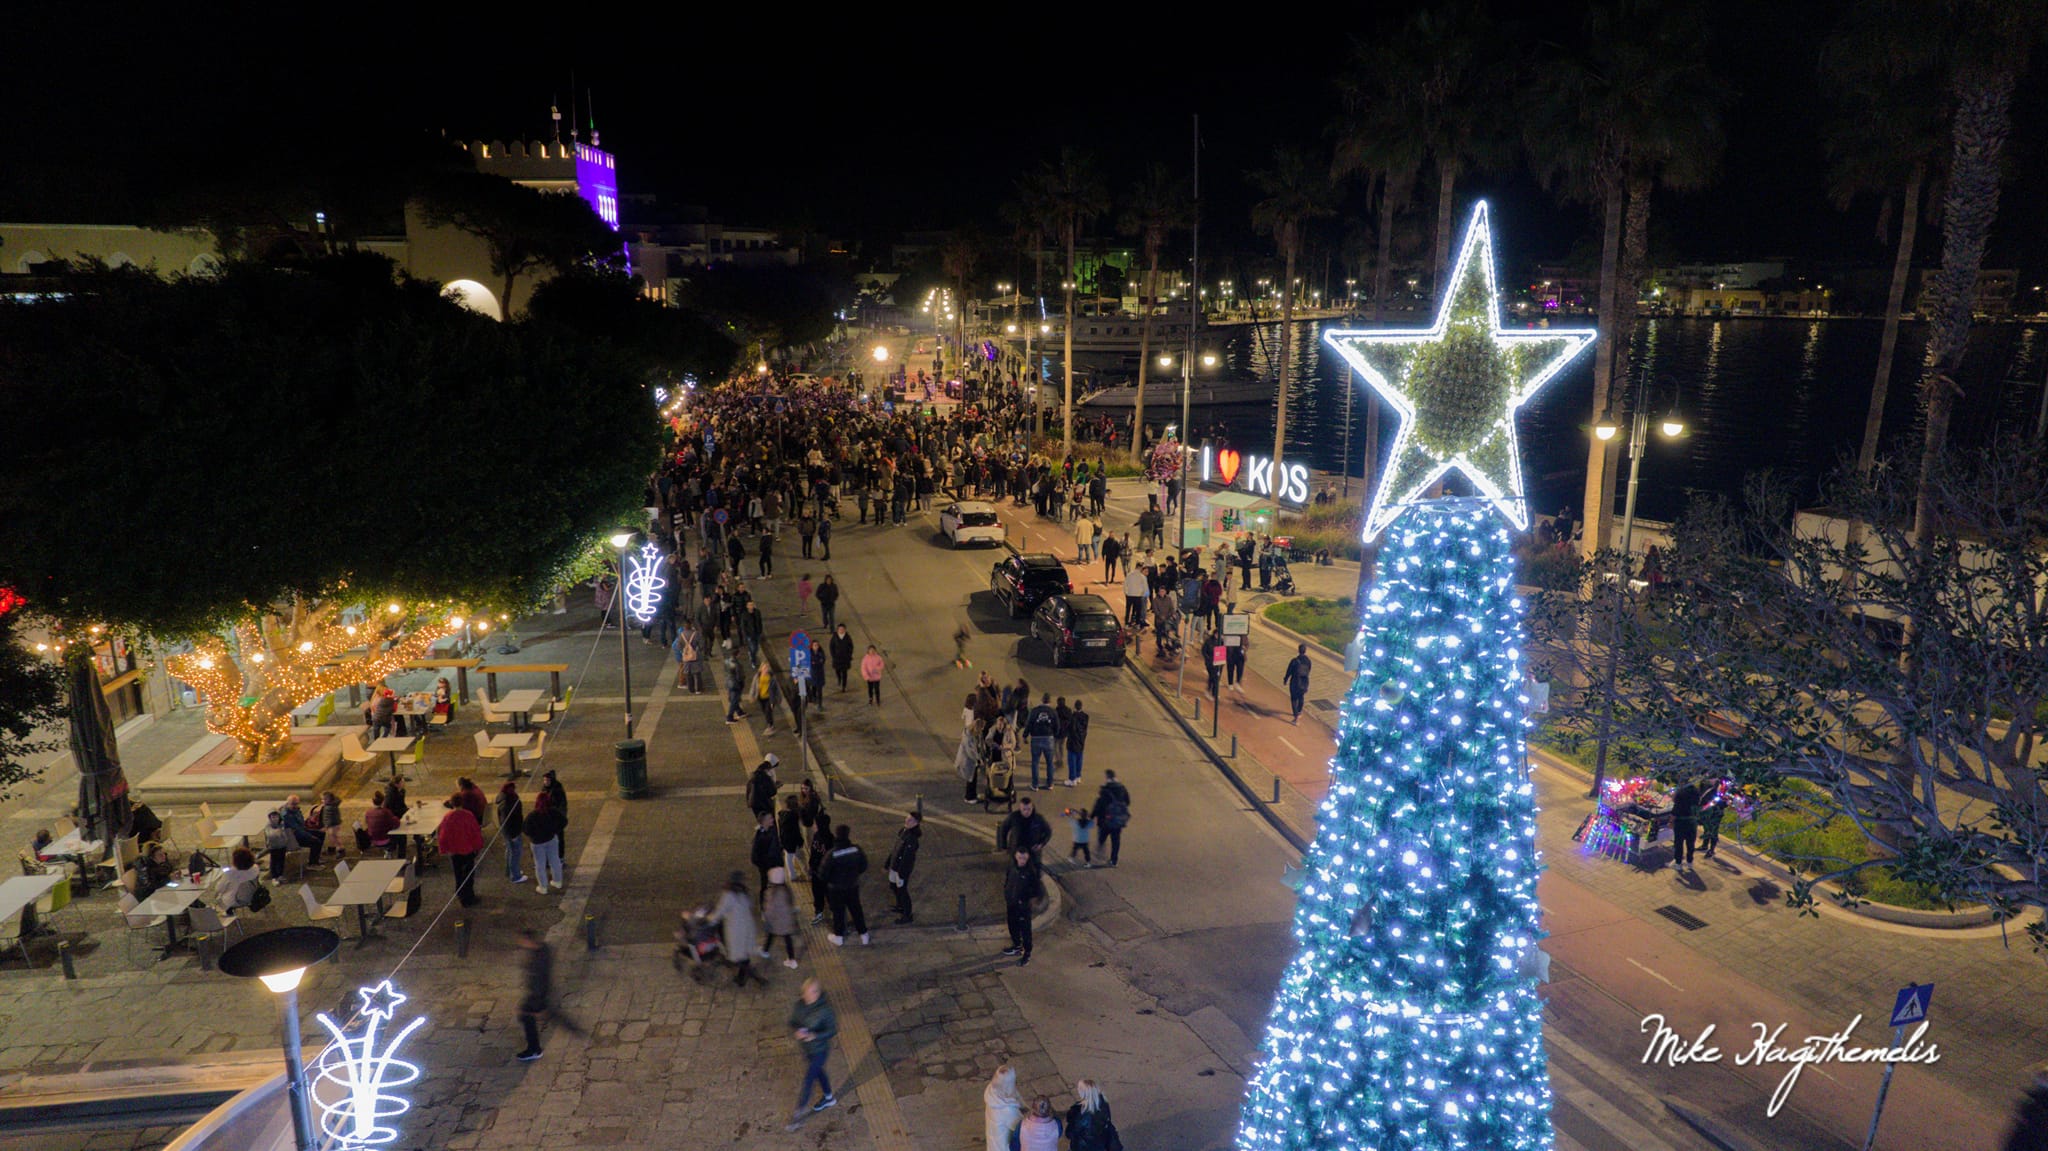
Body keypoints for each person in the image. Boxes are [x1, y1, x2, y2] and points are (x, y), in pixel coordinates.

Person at [514, 928, 579, 1062]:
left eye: (522, 940)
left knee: (527, 1016)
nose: (520, 943)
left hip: (537, 996)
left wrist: (538, 1006)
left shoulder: (538, 961)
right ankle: (572, 1028)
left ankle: (534, 1049)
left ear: (529, 941)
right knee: (529, 1016)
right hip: (539, 994)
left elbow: (539, 982)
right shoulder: (544, 949)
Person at [785, 978, 839, 1130]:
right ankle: (829, 1098)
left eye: (811, 993)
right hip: (807, 1049)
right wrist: (796, 1031)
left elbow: (832, 1030)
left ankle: (798, 1114)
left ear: (817, 993)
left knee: (809, 1079)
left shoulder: (825, 1009)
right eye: (805, 993)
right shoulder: (800, 1005)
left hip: (820, 1050)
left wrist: (814, 1036)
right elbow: (792, 1022)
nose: (807, 996)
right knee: (819, 1072)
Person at [819, 823, 870, 946]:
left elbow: (823, 873)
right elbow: (864, 865)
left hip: (836, 888)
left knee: (838, 912)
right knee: (856, 909)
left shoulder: (832, 854)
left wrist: (830, 880)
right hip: (852, 885)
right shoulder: (856, 849)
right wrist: (854, 874)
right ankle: (864, 935)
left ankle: (839, 936)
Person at [709, 871, 762, 986]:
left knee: (738, 955)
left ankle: (752, 978)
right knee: (744, 954)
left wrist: (709, 920)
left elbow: (720, 911)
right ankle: (742, 977)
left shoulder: (728, 895)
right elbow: (750, 905)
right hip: (747, 927)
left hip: (737, 929)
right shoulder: (744, 893)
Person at [437, 797, 485, 907]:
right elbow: (475, 832)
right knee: (468, 875)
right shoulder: (468, 815)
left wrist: (443, 848)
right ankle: (468, 898)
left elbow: (443, 834)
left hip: (454, 851)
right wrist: (478, 846)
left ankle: (459, 892)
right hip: (467, 850)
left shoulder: (448, 816)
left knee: (457, 873)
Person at [1002, 848, 1045, 966]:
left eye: (1024, 858)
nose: (1021, 860)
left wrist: (1026, 900)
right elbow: (1008, 881)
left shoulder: (1030, 872)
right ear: (1016, 856)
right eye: (1020, 857)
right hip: (1012, 904)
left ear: (1028, 858)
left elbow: (1036, 890)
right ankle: (1016, 946)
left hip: (1023, 907)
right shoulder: (1012, 867)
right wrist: (1007, 894)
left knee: (1025, 930)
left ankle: (1027, 953)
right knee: (1012, 926)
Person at [525, 791, 566, 894]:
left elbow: (526, 829)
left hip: (537, 843)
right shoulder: (553, 812)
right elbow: (564, 821)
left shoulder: (532, 815)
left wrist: (534, 835)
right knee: (555, 860)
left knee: (540, 864)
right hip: (551, 839)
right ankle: (557, 881)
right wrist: (555, 830)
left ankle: (543, 887)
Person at [885, 811, 921, 924]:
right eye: (907, 818)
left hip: (901, 869)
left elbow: (907, 858)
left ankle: (907, 915)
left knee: (902, 891)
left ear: (916, 823)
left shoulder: (912, 839)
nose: (907, 821)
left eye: (910, 820)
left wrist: (901, 873)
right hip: (894, 865)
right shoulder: (903, 831)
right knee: (893, 886)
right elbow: (895, 848)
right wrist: (888, 863)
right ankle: (900, 905)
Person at [1091, 771, 1132, 867]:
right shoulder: (1122, 788)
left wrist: (1092, 816)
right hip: (1117, 819)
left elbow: (1099, 805)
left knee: (1102, 838)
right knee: (1116, 840)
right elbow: (1128, 802)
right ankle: (1114, 860)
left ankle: (1099, 854)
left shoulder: (1105, 790)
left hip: (1104, 820)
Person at [763, 865, 800, 968]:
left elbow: (769, 909)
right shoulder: (786, 890)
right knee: (787, 939)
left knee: (771, 934)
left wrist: (766, 916)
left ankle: (765, 951)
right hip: (786, 920)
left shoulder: (772, 892)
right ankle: (791, 959)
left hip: (776, 921)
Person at [1065, 1079, 1116, 1151]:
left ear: (1083, 1093)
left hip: (1083, 1146)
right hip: (1100, 1144)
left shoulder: (1081, 1113)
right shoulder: (1104, 1103)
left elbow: (1070, 1133)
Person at [983, 1065, 1025, 1151]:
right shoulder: (1009, 1110)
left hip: (994, 1142)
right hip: (1003, 1146)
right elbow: (1022, 1126)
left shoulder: (991, 1091)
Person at [213, 847, 263, 913]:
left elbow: (219, 889)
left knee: (217, 896)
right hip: (252, 895)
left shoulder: (230, 873)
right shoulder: (255, 868)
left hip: (235, 901)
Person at [1025, 694, 1057, 791]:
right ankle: (1050, 784)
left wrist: (1025, 735)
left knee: (1035, 762)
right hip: (1049, 739)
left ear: (1042, 700)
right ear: (1050, 701)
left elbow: (1029, 723)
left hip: (1036, 738)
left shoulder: (1035, 711)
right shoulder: (1053, 712)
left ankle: (1035, 785)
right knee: (1050, 763)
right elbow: (1057, 725)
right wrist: (1054, 734)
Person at [497, 781, 526, 884]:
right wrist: (514, 834)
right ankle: (515, 876)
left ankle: (510, 871)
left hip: (506, 831)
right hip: (513, 832)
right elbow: (514, 819)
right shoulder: (511, 803)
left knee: (510, 851)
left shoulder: (502, 800)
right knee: (515, 853)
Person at [751, 809, 783, 903]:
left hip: (774, 865)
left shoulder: (770, 831)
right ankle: (765, 905)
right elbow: (756, 856)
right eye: (770, 818)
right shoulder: (761, 837)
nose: (772, 820)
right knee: (767, 886)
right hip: (768, 866)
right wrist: (766, 865)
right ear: (764, 821)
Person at [1670, 777, 1701, 871]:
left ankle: (1678, 863)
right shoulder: (1696, 791)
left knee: (1678, 843)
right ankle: (1689, 862)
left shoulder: (1680, 793)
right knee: (1690, 843)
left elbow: (1676, 808)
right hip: (1692, 821)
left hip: (1681, 821)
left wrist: (1671, 821)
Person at [778, 794, 808, 880]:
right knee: (799, 856)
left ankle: (794, 875)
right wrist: (800, 840)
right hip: (793, 840)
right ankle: (803, 874)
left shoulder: (782, 814)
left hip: (785, 839)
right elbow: (795, 830)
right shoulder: (793, 816)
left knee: (789, 857)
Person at [1283, 643, 1312, 725]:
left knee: (1293, 699)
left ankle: (1296, 717)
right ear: (1305, 651)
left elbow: (1289, 671)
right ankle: (1299, 711)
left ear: (1298, 650)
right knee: (1301, 697)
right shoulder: (1308, 661)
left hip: (1295, 682)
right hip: (1304, 682)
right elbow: (1309, 670)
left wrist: (1285, 679)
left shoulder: (1294, 661)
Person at [748, 754, 782, 820]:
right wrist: (776, 786)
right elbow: (771, 791)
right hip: (764, 802)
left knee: (761, 819)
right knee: (769, 820)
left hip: (754, 803)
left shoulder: (754, 775)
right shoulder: (765, 776)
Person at [674, 621, 704, 693]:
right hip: (695, 656)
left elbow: (678, 646)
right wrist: (698, 650)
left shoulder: (681, 635)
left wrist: (683, 652)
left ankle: (691, 689)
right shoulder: (696, 634)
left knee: (688, 673)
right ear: (691, 625)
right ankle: (698, 689)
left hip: (686, 657)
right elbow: (701, 645)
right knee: (697, 673)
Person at [1699, 783, 1728, 859]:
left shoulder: (1726, 792)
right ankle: (1704, 845)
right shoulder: (1714, 788)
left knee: (1713, 831)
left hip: (1717, 813)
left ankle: (1711, 850)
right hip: (1710, 811)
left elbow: (1725, 804)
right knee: (1707, 828)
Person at [1065, 699, 1089, 786]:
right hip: (1081, 741)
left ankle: (1072, 779)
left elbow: (1070, 728)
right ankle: (1078, 776)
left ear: (1075, 707)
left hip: (1072, 742)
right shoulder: (1086, 717)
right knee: (1079, 759)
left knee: (1072, 761)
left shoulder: (1072, 717)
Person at [723, 640, 748, 724]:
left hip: (728, 682)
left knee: (733, 698)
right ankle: (729, 717)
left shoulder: (726, 661)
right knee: (734, 700)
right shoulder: (737, 664)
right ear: (737, 654)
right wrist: (742, 682)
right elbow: (739, 676)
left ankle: (740, 712)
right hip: (735, 684)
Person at [757, 660, 782, 736]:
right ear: (761, 668)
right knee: (764, 711)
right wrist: (753, 695)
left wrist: (773, 701)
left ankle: (770, 725)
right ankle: (769, 723)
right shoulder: (758, 676)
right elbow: (754, 686)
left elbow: (776, 689)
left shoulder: (771, 678)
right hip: (761, 697)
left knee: (768, 712)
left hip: (769, 698)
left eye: (766, 668)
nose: (765, 669)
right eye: (764, 668)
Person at [830, 624, 854, 691]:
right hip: (837, 658)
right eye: (840, 629)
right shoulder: (834, 637)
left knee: (844, 673)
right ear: (837, 630)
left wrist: (849, 655)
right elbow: (831, 647)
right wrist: (833, 655)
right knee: (837, 671)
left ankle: (844, 686)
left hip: (845, 659)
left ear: (845, 630)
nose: (841, 630)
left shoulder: (847, 637)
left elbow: (851, 647)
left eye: (843, 629)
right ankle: (839, 678)